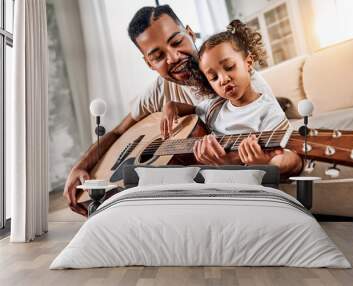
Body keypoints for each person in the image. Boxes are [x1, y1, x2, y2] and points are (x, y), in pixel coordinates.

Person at [64, 5, 302, 217]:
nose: (174, 57)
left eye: (177, 42)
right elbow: (118, 132)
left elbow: (289, 155)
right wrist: (81, 166)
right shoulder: (159, 90)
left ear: (189, 33)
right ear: (149, 63)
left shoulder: (242, 83)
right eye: (158, 56)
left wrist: (245, 162)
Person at [160, 19, 302, 171]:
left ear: (248, 63)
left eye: (229, 67)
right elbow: (192, 110)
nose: (223, 79)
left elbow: (292, 157)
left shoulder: (267, 111)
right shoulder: (215, 106)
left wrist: (266, 163)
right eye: (214, 77)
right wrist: (171, 106)